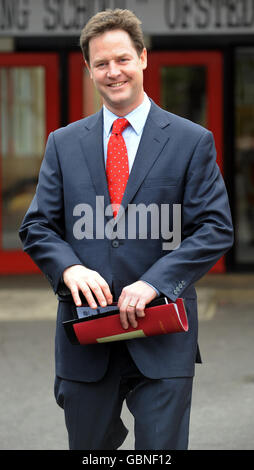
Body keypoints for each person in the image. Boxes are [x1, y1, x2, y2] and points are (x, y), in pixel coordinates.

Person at [19, 8, 233, 450]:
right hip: (86, 335)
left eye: (122, 59)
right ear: (89, 69)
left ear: (143, 59)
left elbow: (213, 228)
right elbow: (37, 225)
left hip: (162, 330)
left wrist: (155, 282)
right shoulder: (63, 143)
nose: (113, 71)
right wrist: (69, 270)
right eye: (101, 63)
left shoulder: (191, 140)